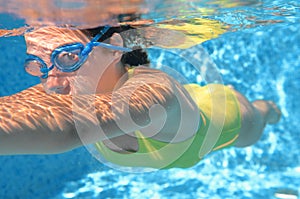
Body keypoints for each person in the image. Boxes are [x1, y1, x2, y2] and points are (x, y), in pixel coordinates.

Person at [0, 25, 281, 169]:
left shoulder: (156, 89)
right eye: (37, 64)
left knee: (263, 115)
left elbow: (69, 125)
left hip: (230, 119)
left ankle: (269, 109)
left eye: (68, 57)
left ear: (113, 47)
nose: (51, 82)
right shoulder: (70, 85)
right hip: (186, 120)